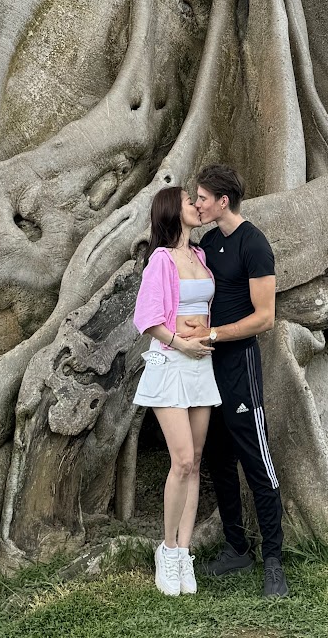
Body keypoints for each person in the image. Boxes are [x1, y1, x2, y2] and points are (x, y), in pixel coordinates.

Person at [190, 163, 288, 600]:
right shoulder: (208, 243)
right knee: (216, 457)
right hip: (203, 365)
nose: (197, 204)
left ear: (222, 201)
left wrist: (213, 334)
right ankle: (236, 548)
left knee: (257, 460)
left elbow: (264, 318)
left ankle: (274, 561)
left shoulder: (255, 244)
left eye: (202, 198)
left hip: (239, 365)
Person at [132, 183, 220, 597]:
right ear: (173, 210)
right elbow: (147, 318)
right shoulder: (161, 261)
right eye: (191, 202)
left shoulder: (200, 256)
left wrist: (205, 338)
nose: (197, 206)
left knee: (197, 460)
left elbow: (204, 310)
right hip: (171, 364)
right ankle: (166, 550)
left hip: (202, 365)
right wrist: (180, 342)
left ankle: (184, 551)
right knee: (181, 460)